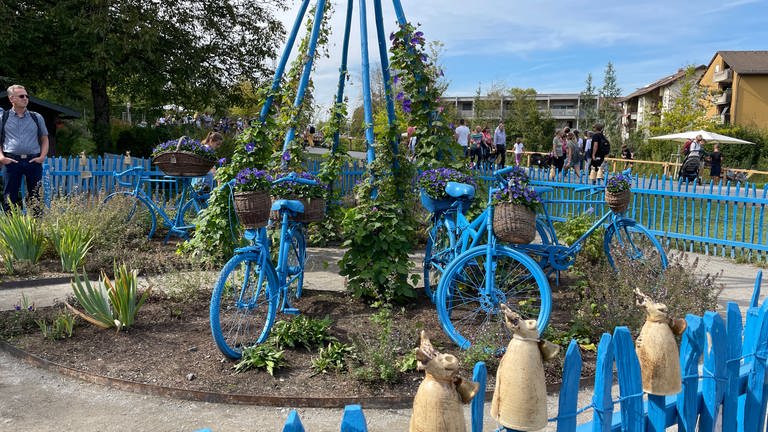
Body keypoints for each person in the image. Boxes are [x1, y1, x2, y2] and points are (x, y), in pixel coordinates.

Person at [0, 85, 49, 213]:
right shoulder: (3, 118)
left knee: (36, 197)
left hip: (33, 161)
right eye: (21, 96)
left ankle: (36, 229)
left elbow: (44, 139)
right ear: (12, 99)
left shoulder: (36, 117)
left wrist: (42, 157)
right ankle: (11, 229)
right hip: (11, 161)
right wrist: (1, 157)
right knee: (10, 198)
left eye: (27, 96)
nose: (25, 98)